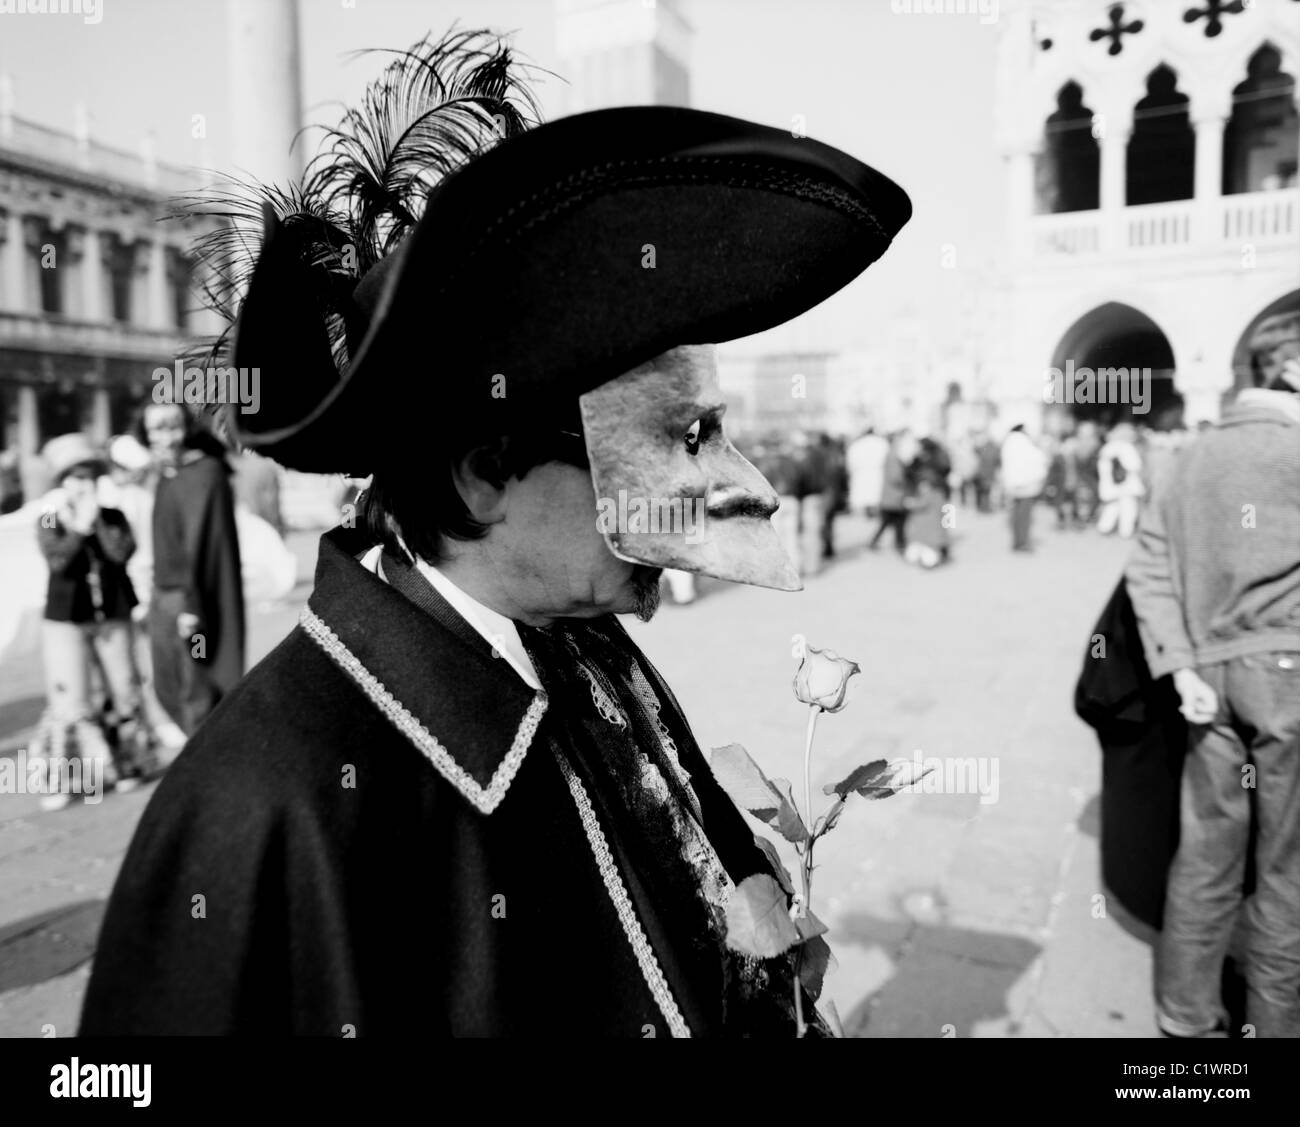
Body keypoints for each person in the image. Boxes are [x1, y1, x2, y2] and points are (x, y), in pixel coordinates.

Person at [78, 31, 912, 1037]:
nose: (704, 501)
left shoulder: (585, 646)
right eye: (658, 449)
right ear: (485, 467)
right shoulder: (268, 801)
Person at [1125, 311, 1300, 1040]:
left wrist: (1179, 662)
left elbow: (1148, 563)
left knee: (1205, 854)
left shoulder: (1188, 457)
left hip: (1209, 682)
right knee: (1289, 867)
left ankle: (1186, 1017)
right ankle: (1276, 1024)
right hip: (1289, 670)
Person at [31, 434, 146, 808]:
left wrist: (95, 522)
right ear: (61, 481)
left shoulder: (112, 516)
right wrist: (77, 528)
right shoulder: (49, 516)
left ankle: (127, 764)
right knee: (70, 700)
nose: (82, 484)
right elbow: (57, 560)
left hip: (113, 614)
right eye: (74, 477)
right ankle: (64, 778)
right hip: (66, 618)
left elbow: (122, 552)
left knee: (124, 690)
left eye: (88, 476)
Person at [142, 401, 245, 737]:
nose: (166, 436)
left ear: (186, 428)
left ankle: (203, 770)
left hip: (192, 599)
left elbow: (202, 549)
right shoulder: (166, 475)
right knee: (165, 683)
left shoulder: (205, 473)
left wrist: (191, 606)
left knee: (197, 689)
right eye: (156, 428)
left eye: (172, 425)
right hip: (162, 596)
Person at [999, 424, 1047, 552]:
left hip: (1012, 484)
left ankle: (1016, 541)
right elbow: (1038, 460)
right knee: (1025, 516)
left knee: (1015, 515)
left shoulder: (1007, 444)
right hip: (1026, 484)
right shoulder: (1025, 443)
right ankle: (1023, 542)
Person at [867, 430, 915, 554]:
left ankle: (894, 543)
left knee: (888, 521)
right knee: (897, 521)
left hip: (891, 496)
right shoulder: (894, 456)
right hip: (894, 496)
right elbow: (895, 477)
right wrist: (906, 481)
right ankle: (900, 544)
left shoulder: (892, 455)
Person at [1096, 421, 1144, 538]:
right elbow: (1134, 466)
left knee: (1112, 506)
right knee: (1128, 508)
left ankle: (1104, 527)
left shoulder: (1107, 448)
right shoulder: (1127, 448)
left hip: (1111, 484)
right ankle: (1126, 531)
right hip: (1126, 485)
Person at [846, 427, 888, 518]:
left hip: (861, 475)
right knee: (874, 496)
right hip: (877, 474)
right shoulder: (882, 443)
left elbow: (851, 462)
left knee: (864, 497)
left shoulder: (857, 444)